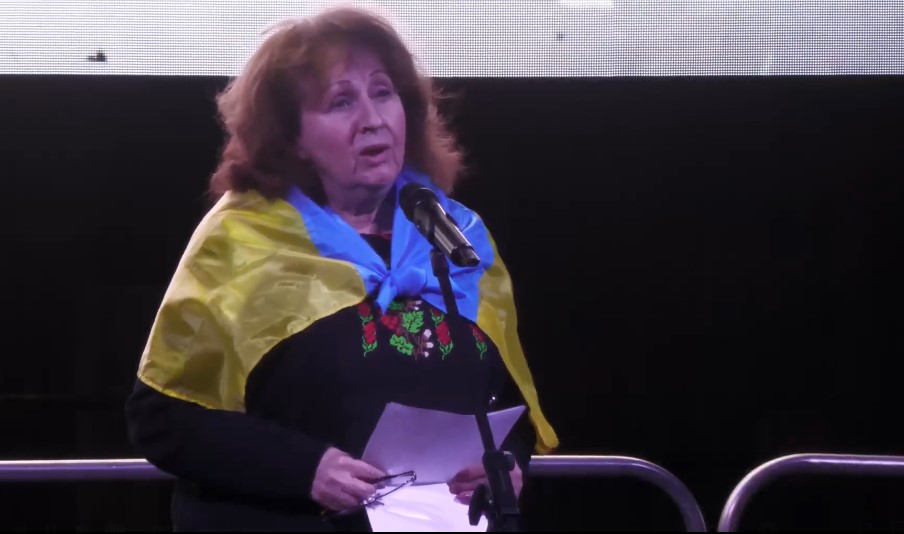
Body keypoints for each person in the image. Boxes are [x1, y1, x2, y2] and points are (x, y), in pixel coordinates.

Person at [125, 6, 558, 532]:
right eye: (341, 102)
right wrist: (304, 468)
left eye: (383, 93)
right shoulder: (242, 241)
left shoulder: (453, 232)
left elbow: (504, 404)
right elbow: (162, 418)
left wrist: (506, 464)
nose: (373, 119)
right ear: (292, 136)